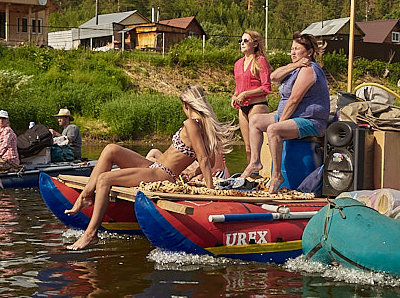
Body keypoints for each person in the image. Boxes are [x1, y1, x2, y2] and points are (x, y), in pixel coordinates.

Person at [65, 84, 235, 250]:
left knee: (104, 179)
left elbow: (204, 160)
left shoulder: (191, 124)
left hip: (161, 174)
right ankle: (86, 196)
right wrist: (192, 173)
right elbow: (210, 162)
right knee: (111, 149)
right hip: (155, 167)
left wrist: (209, 192)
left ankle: (90, 234)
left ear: (185, 104)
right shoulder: (203, 127)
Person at [240, 32, 330, 193]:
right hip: (291, 117)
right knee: (255, 121)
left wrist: (280, 123)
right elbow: (273, 76)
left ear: (309, 52)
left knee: (274, 130)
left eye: (297, 49)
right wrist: (295, 64)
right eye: (291, 49)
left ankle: (276, 176)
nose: (292, 52)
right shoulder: (297, 68)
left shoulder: (309, 69)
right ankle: (255, 162)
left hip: (310, 120)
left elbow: (294, 100)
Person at [231, 30, 272, 159]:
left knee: (255, 147)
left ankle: (257, 171)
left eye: (245, 41)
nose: (242, 43)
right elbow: (238, 87)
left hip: (257, 105)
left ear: (255, 43)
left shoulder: (260, 61)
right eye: (240, 41)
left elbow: (266, 87)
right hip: (242, 107)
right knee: (247, 147)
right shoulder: (238, 64)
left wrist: (246, 94)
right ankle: (251, 174)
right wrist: (235, 96)